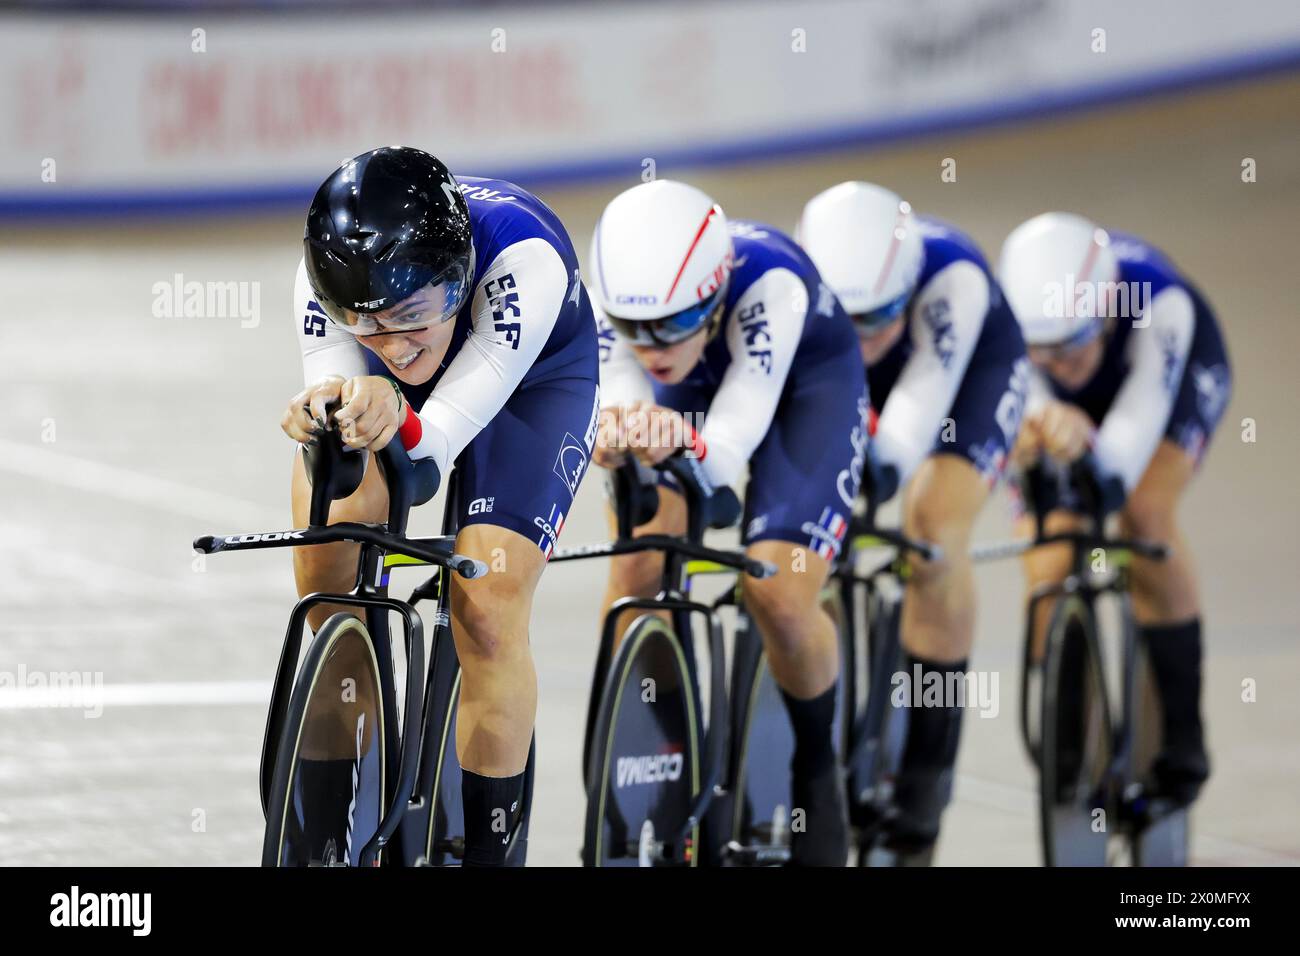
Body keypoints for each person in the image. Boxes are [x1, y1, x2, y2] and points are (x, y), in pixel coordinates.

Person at [281, 146, 599, 866]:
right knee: (328, 578)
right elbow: (345, 415)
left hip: (527, 384)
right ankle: (327, 837)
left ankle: (489, 852)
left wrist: (395, 408)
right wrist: (328, 422)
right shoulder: (325, 275)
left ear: (457, 280)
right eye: (367, 322)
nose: (391, 342)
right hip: (399, 399)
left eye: (412, 314)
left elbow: (430, 454)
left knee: (485, 601)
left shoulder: (527, 263)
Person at [590, 179, 868, 865]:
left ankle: (815, 763)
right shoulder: (627, 301)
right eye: (635, 328)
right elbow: (626, 387)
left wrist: (676, 441)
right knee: (635, 573)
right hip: (691, 392)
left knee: (776, 587)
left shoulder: (775, 283)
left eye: (674, 323)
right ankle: (637, 762)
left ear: (714, 294)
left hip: (804, 394)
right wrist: (624, 428)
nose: (653, 344)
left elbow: (729, 448)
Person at [797, 181, 1029, 864]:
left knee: (931, 531)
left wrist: (879, 461)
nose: (867, 339)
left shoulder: (952, 275)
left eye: (881, 319)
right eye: (851, 319)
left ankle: (926, 776)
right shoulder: (800, 283)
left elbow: (908, 428)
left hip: (964, 376)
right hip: (835, 366)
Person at [998, 211, 1231, 809]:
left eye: (1071, 345)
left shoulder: (1158, 303)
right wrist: (1039, 424)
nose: (1058, 362)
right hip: (1061, 412)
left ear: (1105, 313)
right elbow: (1026, 395)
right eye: (1040, 350)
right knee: (1050, 559)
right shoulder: (1015, 326)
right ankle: (1069, 727)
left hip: (1164, 387)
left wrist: (1088, 444)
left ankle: (1184, 738)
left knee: (1143, 517)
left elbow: (1121, 460)